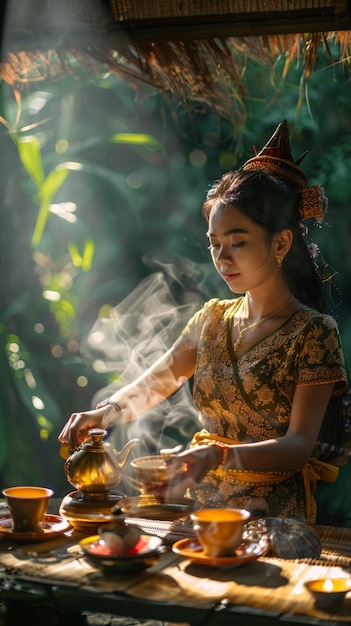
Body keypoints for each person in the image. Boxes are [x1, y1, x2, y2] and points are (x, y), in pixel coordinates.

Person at [59, 120, 348, 523]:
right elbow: (153, 385)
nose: (222, 259)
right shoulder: (211, 319)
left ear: (281, 242)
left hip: (275, 521)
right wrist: (104, 413)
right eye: (215, 244)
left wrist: (216, 454)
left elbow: (299, 445)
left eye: (238, 242)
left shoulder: (314, 333)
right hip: (201, 512)